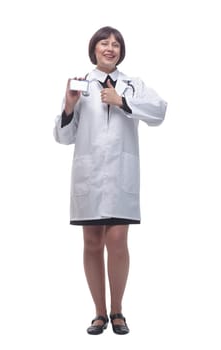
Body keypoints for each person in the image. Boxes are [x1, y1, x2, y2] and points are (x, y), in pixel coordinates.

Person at [54, 26, 167, 335]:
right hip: (89, 178)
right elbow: (63, 137)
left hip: (120, 176)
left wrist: (122, 101)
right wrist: (68, 105)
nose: (110, 47)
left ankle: (118, 310)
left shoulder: (133, 85)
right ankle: (99, 314)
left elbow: (159, 112)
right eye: (104, 42)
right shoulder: (80, 85)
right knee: (91, 243)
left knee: (117, 242)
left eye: (116, 44)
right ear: (94, 49)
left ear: (121, 51)